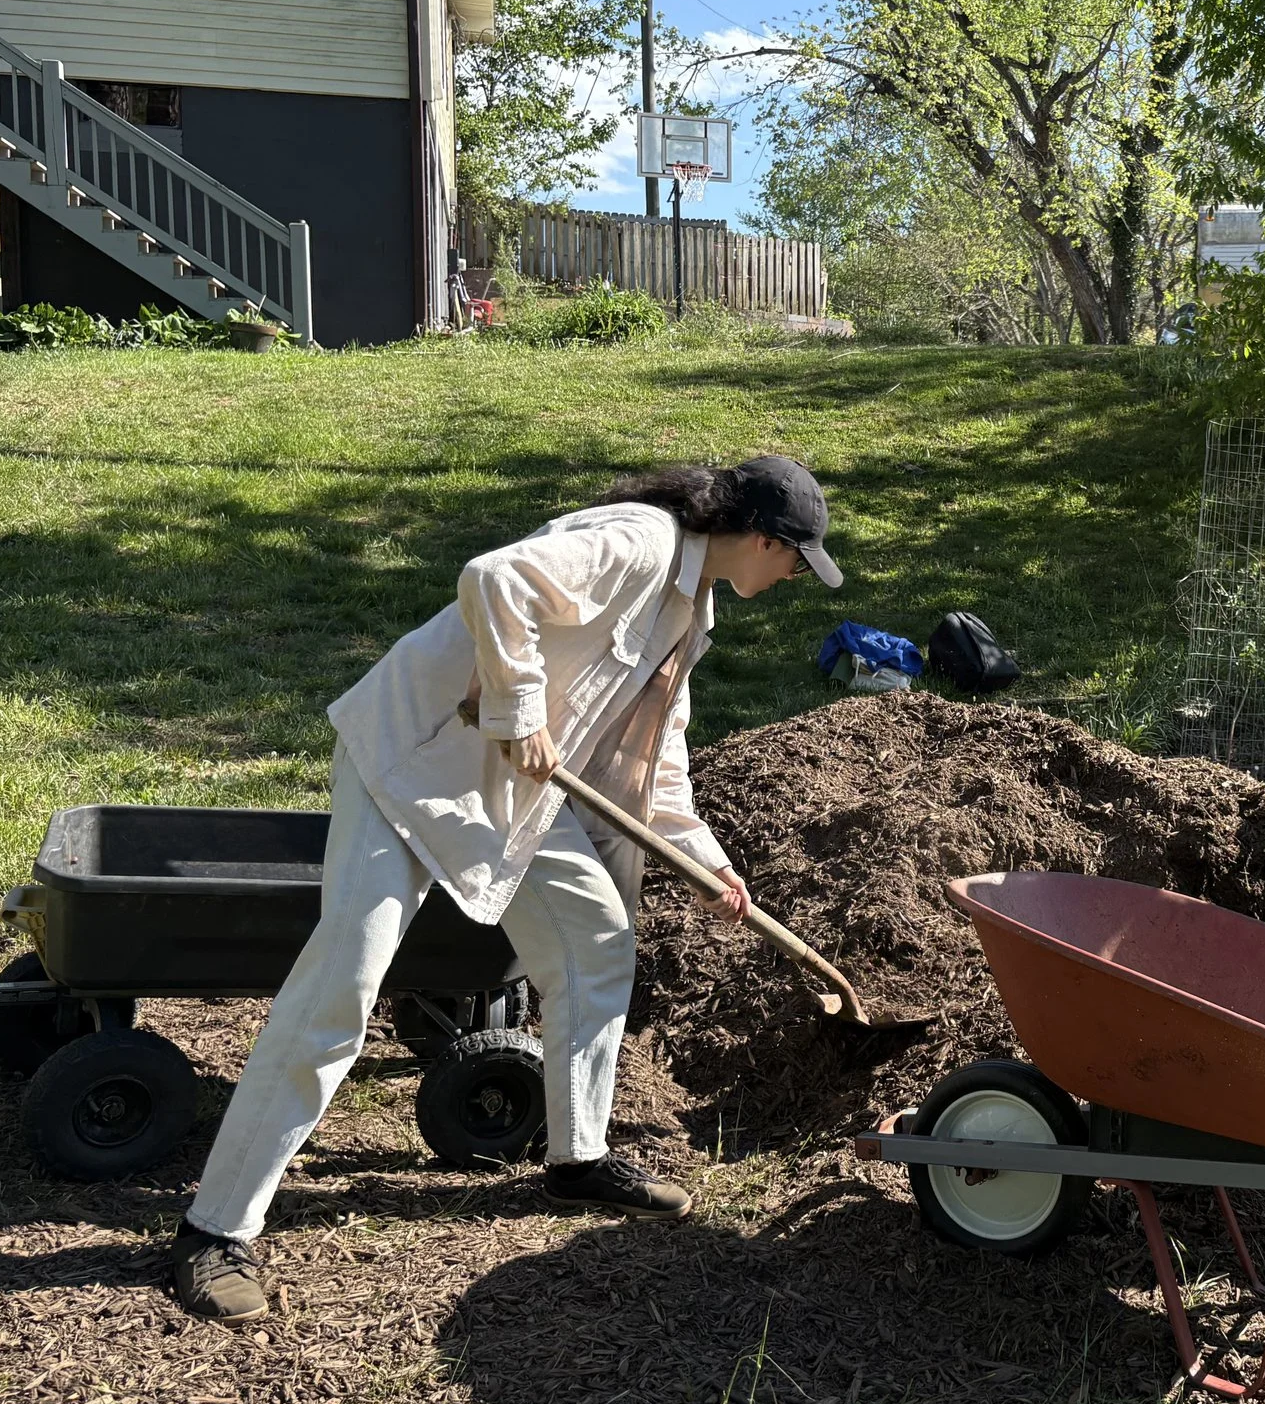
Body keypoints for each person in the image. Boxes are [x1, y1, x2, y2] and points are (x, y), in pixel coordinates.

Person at [168, 457, 842, 1322]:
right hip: (413, 765)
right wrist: (523, 710)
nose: (791, 578)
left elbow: (656, 753)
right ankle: (214, 1229)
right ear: (761, 539)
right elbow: (495, 578)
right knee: (345, 981)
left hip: (513, 791)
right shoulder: (639, 541)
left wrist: (702, 858)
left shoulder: (691, 608)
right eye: (795, 560)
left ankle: (577, 1158)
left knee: (596, 939)